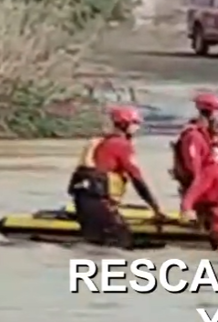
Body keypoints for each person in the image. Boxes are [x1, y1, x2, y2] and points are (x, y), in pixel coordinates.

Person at [67, 105, 165, 248]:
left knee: (96, 245)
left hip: (85, 200)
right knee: (120, 243)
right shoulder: (121, 145)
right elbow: (137, 180)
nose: (138, 127)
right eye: (135, 123)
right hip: (98, 201)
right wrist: (156, 208)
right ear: (125, 124)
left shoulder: (104, 142)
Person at [171, 92, 218, 196]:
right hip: (202, 194)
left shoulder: (208, 134)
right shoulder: (194, 136)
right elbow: (194, 169)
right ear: (212, 113)